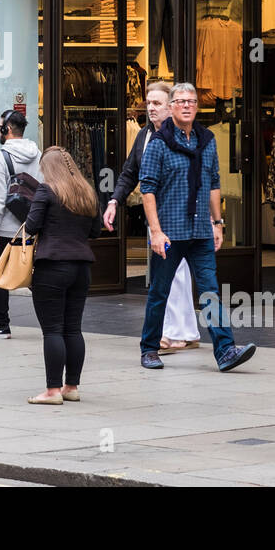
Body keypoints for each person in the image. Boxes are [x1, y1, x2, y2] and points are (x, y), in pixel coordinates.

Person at [138, 82, 256, 373]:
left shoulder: (208, 140)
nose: (187, 105)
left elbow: (213, 182)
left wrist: (218, 222)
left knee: (210, 292)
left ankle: (225, 350)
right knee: (159, 293)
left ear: (196, 106)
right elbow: (148, 190)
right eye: (181, 101)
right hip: (170, 232)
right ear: (172, 107)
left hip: (201, 231)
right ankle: (149, 349)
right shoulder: (159, 143)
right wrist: (156, 231)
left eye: (192, 101)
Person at [104, 81, 200, 353]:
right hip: (155, 216)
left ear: (171, 107)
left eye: (157, 103)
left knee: (174, 273)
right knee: (172, 274)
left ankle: (172, 334)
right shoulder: (144, 136)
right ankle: (186, 332)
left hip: (179, 215)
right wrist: (114, 201)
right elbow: (129, 172)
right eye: (148, 103)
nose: (150, 108)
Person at [23, 146, 101, 404]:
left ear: (49, 169)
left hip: (52, 267)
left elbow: (32, 226)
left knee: (53, 330)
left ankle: (52, 390)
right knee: (73, 329)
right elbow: (96, 231)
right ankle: (71, 386)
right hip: (82, 268)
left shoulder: (46, 191)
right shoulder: (87, 192)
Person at [0, 109, 42, 338]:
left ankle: (1, 324)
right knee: (34, 276)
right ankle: (49, 322)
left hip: (5, 227)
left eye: (0, 128)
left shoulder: (0, 158)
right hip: (30, 226)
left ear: (7, 130)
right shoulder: (38, 154)